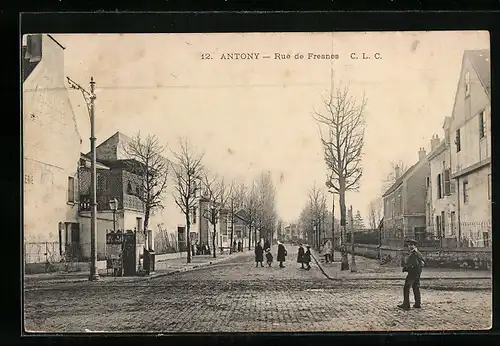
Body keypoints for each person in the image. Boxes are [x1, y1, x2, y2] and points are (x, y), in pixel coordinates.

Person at [398, 238, 425, 310]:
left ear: (415, 246)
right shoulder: (418, 253)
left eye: (411, 245)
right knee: (416, 288)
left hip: (412, 274)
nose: (410, 247)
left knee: (406, 287)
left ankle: (406, 304)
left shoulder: (414, 254)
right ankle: (417, 304)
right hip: (417, 273)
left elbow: (414, 265)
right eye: (409, 245)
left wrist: (406, 268)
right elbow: (422, 262)